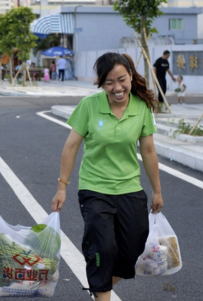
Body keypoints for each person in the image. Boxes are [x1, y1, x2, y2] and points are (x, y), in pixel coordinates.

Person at [51, 52, 163, 301]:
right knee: (102, 248)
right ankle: (101, 291)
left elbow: (148, 150)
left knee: (133, 248)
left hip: (129, 188)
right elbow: (71, 147)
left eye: (121, 79)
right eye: (109, 82)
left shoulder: (141, 107)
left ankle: (100, 286)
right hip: (94, 188)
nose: (117, 87)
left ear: (131, 76)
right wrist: (62, 187)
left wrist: (157, 190)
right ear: (101, 83)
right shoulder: (89, 106)